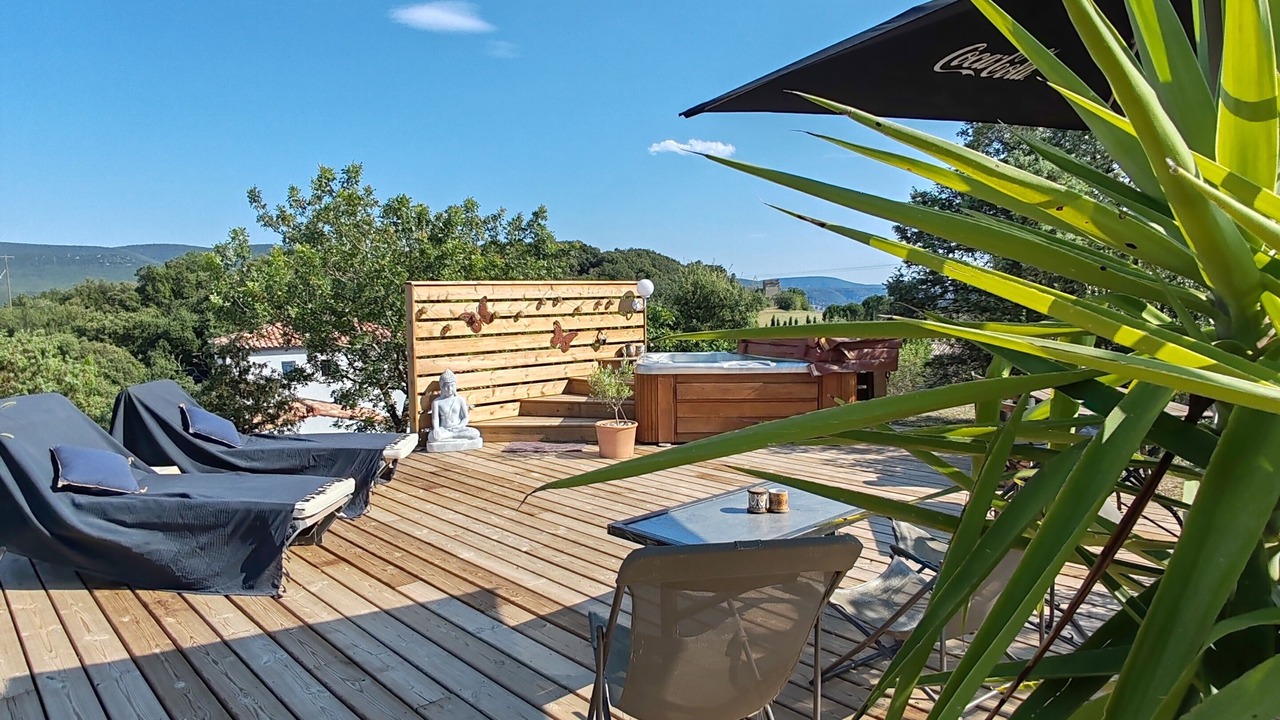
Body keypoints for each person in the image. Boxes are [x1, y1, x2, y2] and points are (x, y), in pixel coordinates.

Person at [429, 370, 480, 443]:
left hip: (458, 428)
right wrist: (436, 429)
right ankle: (452, 435)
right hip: (444, 429)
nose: (450, 389)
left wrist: (460, 426)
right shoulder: (437, 402)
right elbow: (435, 419)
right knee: (432, 437)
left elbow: (466, 418)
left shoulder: (460, 400)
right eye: (446, 387)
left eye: (452, 386)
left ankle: (450, 436)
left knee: (475, 433)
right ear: (441, 387)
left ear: (455, 386)